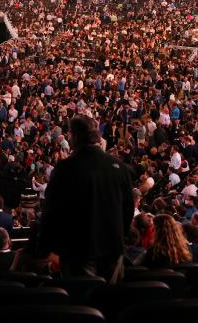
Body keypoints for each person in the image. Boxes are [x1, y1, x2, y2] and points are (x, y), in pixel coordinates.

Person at [39, 115, 134, 282]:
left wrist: (50, 246)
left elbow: (51, 209)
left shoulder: (65, 168)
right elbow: (128, 210)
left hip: (78, 250)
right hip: (113, 248)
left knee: (82, 300)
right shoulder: (120, 168)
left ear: (74, 136)